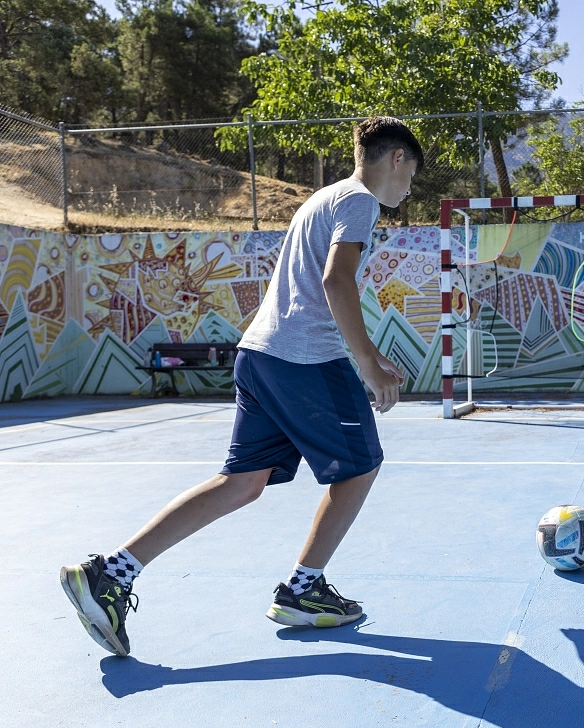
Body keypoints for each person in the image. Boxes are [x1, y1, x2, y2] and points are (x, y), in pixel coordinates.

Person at [60, 116, 423, 657]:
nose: (411, 187)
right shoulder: (360, 201)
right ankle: (304, 590)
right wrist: (366, 362)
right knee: (362, 465)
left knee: (242, 482)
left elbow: (317, 286)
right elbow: (335, 280)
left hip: (259, 355)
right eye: (412, 173)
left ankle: (110, 572)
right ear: (395, 158)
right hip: (303, 360)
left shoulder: (321, 199)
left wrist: (367, 353)